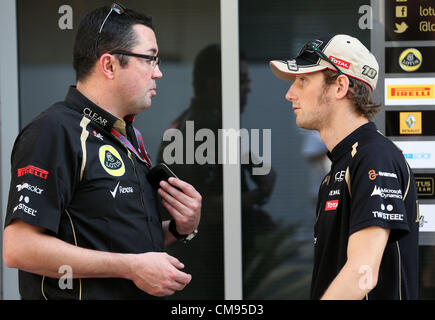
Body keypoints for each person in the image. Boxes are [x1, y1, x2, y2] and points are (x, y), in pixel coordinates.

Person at [2, 3, 202, 300]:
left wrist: (179, 228)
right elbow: (19, 248)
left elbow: (119, 241)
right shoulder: (54, 131)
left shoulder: (125, 136)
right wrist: (131, 267)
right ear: (109, 65)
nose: (158, 72)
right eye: (150, 59)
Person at [269, 34, 419, 300]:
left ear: (339, 86)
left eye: (303, 80)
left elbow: (363, 272)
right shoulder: (342, 165)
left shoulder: (374, 157)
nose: (289, 93)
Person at [157, 44, 276, 298]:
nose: (249, 89)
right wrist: (249, 201)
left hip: (214, 267)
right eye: (242, 81)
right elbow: (196, 208)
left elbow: (265, 175)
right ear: (214, 85)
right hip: (203, 272)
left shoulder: (212, 125)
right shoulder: (200, 128)